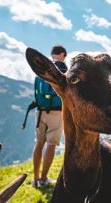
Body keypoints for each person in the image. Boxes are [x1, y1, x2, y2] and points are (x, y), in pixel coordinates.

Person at [32, 45, 67, 188]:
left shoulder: (43, 68)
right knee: (51, 144)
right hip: (56, 112)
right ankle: (44, 178)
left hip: (40, 111)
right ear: (63, 54)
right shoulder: (63, 68)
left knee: (39, 142)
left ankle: (35, 179)